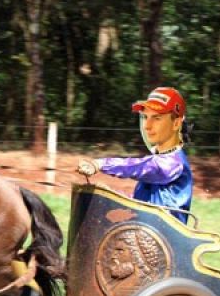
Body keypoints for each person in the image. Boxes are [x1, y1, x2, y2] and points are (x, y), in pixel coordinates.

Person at [77, 87, 193, 224]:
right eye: (146, 117)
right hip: (148, 229)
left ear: (176, 123)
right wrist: (110, 194)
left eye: (157, 118)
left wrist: (100, 164)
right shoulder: (160, 160)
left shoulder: (173, 163)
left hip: (163, 237)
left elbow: (139, 167)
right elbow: (142, 201)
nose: (147, 126)